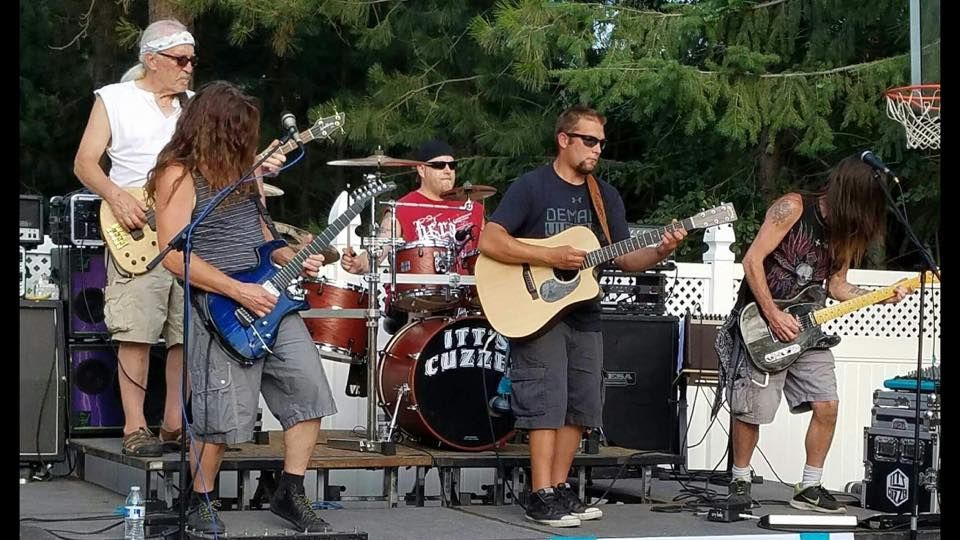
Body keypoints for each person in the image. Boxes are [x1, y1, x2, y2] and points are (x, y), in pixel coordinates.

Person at [477, 104, 687, 527]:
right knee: (545, 402)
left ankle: (557, 490)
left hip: (583, 311)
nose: (597, 150)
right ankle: (538, 493)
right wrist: (549, 254)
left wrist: (662, 248)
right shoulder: (532, 187)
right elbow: (490, 240)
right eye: (589, 141)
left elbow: (626, 258)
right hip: (536, 311)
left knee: (582, 404)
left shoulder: (604, 196)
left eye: (601, 143)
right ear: (564, 140)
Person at [149, 81, 338, 534]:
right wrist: (237, 290)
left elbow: (262, 239)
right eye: (240, 131)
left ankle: (290, 492)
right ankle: (199, 499)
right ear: (217, 129)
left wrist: (289, 257)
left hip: (268, 297)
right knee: (221, 414)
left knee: (308, 391)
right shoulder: (178, 174)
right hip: (221, 307)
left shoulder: (244, 175)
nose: (248, 140)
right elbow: (174, 255)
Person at [716, 155, 911, 513]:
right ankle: (740, 479)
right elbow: (752, 260)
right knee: (752, 410)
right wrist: (772, 314)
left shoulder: (846, 232)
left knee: (827, 405)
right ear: (852, 194)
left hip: (808, 328)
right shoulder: (792, 207)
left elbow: (837, 287)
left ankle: (809, 486)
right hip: (761, 322)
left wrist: (880, 297)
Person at [74, 19, 197, 457]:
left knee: (184, 331)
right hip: (136, 227)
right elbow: (85, 162)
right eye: (180, 60)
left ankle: (173, 424)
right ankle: (133, 427)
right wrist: (116, 198)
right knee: (137, 331)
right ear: (151, 59)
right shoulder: (115, 99)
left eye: (191, 60)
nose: (188, 68)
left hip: (184, 228)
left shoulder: (193, 107)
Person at [340, 139, 485, 328]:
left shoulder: (471, 208)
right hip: (419, 308)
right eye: (439, 165)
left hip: (469, 304)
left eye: (452, 165)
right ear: (421, 170)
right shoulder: (402, 208)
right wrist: (358, 263)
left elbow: (491, 251)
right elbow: (380, 248)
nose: (448, 170)